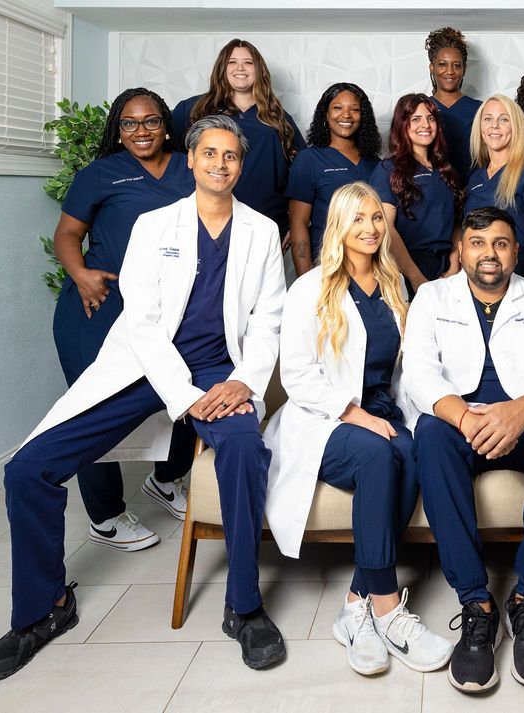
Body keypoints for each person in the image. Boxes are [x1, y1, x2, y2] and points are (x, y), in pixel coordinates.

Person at [0, 115, 288, 681]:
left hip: (224, 369)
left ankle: (244, 607)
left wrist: (243, 381)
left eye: (232, 156)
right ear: (189, 160)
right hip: (148, 366)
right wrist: (185, 398)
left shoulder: (262, 232)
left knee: (244, 450)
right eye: (210, 153)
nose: (221, 164)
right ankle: (43, 610)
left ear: (241, 166)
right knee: (28, 469)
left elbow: (268, 321)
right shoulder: (154, 224)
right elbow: (142, 322)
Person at [263, 182, 453, 676]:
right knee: (375, 454)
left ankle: (354, 605)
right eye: (357, 219)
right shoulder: (311, 287)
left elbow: (407, 369)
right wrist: (356, 414)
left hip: (385, 412)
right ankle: (388, 608)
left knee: (412, 452)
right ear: (339, 227)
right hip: (323, 420)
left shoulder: (395, 285)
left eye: (376, 218)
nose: (370, 228)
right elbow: (297, 375)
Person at [403, 207, 524, 692]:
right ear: (461, 249)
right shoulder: (430, 296)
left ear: (516, 252)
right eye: (479, 243)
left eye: (501, 244)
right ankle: (475, 603)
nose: (490, 253)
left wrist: (520, 411)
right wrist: (464, 416)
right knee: (430, 433)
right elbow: (419, 373)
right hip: (462, 423)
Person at [51, 88, 196, 551]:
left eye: (151, 121)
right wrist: (80, 275)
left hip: (167, 307)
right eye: (130, 123)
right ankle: (106, 514)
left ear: (166, 125)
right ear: (118, 128)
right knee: (93, 407)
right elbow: (68, 234)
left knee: (186, 386)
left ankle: (168, 479)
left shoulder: (189, 166)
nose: (141, 132)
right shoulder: (100, 174)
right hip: (99, 306)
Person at [172, 38, 305, 238]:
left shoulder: (279, 118)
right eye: (232, 62)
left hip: (267, 222)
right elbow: (169, 165)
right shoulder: (193, 110)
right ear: (222, 69)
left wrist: (294, 225)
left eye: (248, 62)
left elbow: (301, 173)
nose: (240, 68)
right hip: (205, 221)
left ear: (259, 70)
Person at [369, 93, 461, 295]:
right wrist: (415, 277)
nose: (425, 125)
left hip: (446, 268)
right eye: (416, 119)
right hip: (407, 266)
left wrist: (454, 264)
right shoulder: (388, 169)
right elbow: (385, 228)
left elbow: (455, 223)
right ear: (403, 124)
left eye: (430, 118)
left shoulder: (445, 170)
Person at [287, 83, 382, 275]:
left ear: (363, 116)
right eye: (338, 108)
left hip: (370, 268)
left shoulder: (376, 164)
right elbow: (298, 223)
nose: (346, 115)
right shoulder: (309, 159)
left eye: (354, 110)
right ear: (326, 114)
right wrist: (305, 279)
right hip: (327, 266)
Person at [465, 94, 524, 279]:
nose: (494, 126)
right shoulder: (475, 178)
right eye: (488, 119)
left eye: (503, 119)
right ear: (480, 127)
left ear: (516, 127)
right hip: (478, 281)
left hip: (517, 278)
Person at [426, 27, 482, 184]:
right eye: (442, 64)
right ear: (432, 67)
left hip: (472, 194)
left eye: (457, 65)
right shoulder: (421, 108)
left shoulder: (480, 110)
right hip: (431, 194)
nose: (449, 71)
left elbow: (489, 157)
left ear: (464, 69)